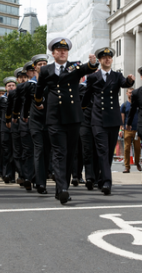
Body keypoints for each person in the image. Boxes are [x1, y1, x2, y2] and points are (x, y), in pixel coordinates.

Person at [33, 37, 98, 204]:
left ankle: (61, 188)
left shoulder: (74, 66)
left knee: (70, 154)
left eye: (65, 50)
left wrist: (92, 63)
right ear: (53, 53)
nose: (62, 52)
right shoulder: (46, 70)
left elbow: (87, 69)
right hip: (54, 117)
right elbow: (39, 89)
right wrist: (39, 103)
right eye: (59, 50)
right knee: (59, 153)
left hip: (73, 117)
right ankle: (62, 189)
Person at [84, 47, 135, 194]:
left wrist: (130, 80)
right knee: (102, 150)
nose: (107, 59)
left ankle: (101, 178)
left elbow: (125, 83)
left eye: (109, 57)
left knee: (108, 152)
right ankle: (107, 182)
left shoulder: (117, 76)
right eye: (104, 57)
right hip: (98, 118)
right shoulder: (93, 77)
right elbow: (87, 97)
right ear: (99, 60)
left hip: (113, 118)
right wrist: (81, 112)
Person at [22, 54, 52, 194]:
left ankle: (38, 177)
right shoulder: (30, 84)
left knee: (47, 152)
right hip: (35, 121)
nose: (42, 66)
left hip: (50, 121)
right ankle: (40, 184)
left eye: (45, 63)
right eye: (39, 64)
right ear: (35, 67)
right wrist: (24, 116)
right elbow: (26, 102)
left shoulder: (52, 82)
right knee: (39, 150)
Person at [12, 62, 36, 190]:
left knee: (38, 151)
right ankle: (27, 176)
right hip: (24, 122)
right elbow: (16, 106)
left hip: (38, 122)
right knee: (26, 151)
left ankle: (37, 178)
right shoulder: (21, 89)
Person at [120, 88, 141, 174]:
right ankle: (127, 167)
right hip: (127, 129)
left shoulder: (138, 104)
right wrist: (121, 127)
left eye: (132, 93)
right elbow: (122, 117)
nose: (131, 94)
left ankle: (137, 163)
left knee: (137, 148)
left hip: (137, 129)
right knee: (127, 148)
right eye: (129, 93)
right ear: (126, 94)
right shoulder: (124, 105)